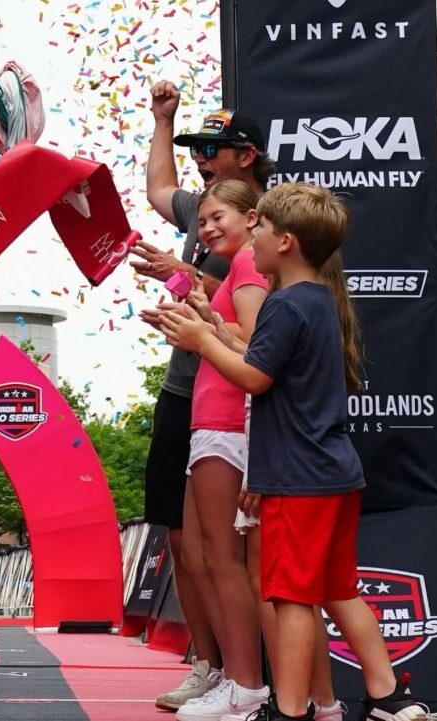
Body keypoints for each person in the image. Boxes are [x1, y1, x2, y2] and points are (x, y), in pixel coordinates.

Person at [160, 183, 430, 721]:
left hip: (298, 481)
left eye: (257, 227)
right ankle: (387, 695)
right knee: (339, 589)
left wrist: (202, 343)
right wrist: (214, 326)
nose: (249, 236)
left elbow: (255, 377)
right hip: (334, 475)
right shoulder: (316, 303)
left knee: (292, 599)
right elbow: (264, 356)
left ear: (284, 242)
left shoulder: (284, 305)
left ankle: (288, 708)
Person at [137, 81, 274, 712]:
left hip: (234, 405)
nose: (198, 161)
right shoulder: (208, 206)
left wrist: (179, 274)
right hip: (188, 397)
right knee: (183, 539)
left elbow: (249, 331)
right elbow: (158, 188)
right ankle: (212, 664)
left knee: (228, 551)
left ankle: (247, 679)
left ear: (245, 156)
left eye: (211, 149)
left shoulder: (264, 229)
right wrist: (163, 121)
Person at [164, 181, 270, 721]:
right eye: (200, 221)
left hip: (229, 426)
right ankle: (235, 679)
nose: (204, 230)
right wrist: (201, 319)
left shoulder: (250, 264)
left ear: (253, 218)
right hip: (211, 423)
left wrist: (202, 332)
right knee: (205, 557)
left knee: (224, 562)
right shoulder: (238, 267)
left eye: (216, 217)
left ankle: (246, 686)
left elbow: (256, 348)